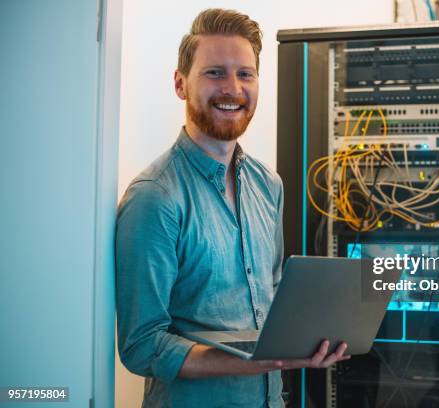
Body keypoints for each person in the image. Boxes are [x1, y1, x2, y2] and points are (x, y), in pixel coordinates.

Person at [115, 8, 349, 408]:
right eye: (214, 73)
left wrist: (310, 336)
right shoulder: (155, 197)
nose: (232, 89)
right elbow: (142, 346)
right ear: (180, 83)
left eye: (245, 74)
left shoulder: (267, 185)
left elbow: (272, 296)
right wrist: (257, 362)